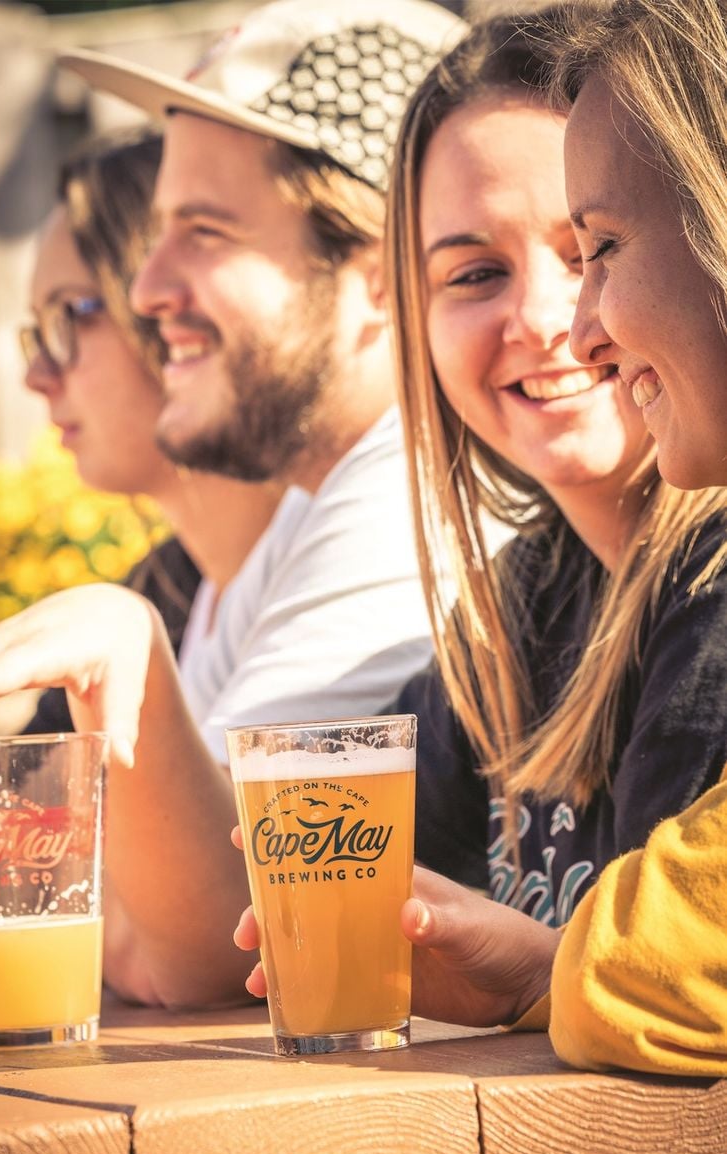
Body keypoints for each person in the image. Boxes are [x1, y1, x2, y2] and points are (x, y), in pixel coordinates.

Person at [0, 0, 464, 1010]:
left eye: (204, 232)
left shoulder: (416, 493)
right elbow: (111, 907)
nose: (148, 289)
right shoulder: (317, 515)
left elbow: (199, 940)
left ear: (381, 267)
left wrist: (121, 642)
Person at [234, 3, 727, 1081]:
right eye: (471, 274)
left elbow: (672, 1015)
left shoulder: (714, 584)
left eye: (590, 245)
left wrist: (540, 977)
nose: (558, 318)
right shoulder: (522, 603)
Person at [21, 126, 282, 735]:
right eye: (37, 332)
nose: (36, 375)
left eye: (67, 317)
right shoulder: (161, 593)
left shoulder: (334, 572)